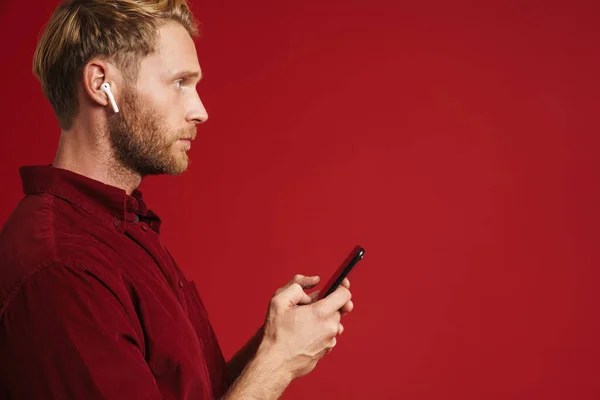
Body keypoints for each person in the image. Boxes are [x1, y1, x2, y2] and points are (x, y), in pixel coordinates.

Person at [0, 0, 354, 399]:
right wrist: (280, 362)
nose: (200, 111)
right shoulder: (62, 269)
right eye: (180, 82)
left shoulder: (124, 229)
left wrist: (270, 343)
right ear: (102, 84)